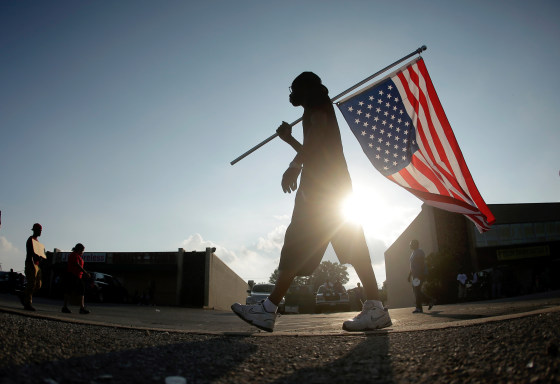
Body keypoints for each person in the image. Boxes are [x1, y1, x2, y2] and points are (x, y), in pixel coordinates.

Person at [231, 72, 392, 332]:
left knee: (305, 243)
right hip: (331, 188)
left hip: (322, 191)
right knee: (339, 245)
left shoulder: (316, 105)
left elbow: (315, 143)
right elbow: (316, 148)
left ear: (306, 89)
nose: (290, 94)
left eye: (293, 89)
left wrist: (294, 166)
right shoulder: (316, 109)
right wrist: (290, 140)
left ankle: (269, 309)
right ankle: (374, 308)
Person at [61, 243, 91, 314]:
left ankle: (67, 307)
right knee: (75, 290)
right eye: (82, 250)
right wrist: (85, 272)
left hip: (77, 275)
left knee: (72, 290)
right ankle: (81, 308)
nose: (82, 252)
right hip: (73, 275)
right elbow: (77, 265)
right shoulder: (74, 255)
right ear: (79, 249)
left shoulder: (77, 256)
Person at [407, 239, 434, 313]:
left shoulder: (419, 252)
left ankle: (419, 308)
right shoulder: (413, 253)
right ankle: (429, 300)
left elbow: (422, 263)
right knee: (416, 290)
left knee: (416, 290)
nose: (410, 245)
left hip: (419, 274)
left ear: (415, 244)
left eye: (411, 244)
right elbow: (412, 266)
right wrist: (409, 275)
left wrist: (421, 274)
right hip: (415, 275)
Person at [22, 223, 44, 311]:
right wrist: (32, 264)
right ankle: (28, 303)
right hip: (31, 264)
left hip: (36, 265)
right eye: (39, 230)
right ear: (35, 230)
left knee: (38, 284)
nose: (40, 232)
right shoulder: (31, 240)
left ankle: (25, 295)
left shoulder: (37, 242)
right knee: (31, 284)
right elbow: (30, 253)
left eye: (41, 231)